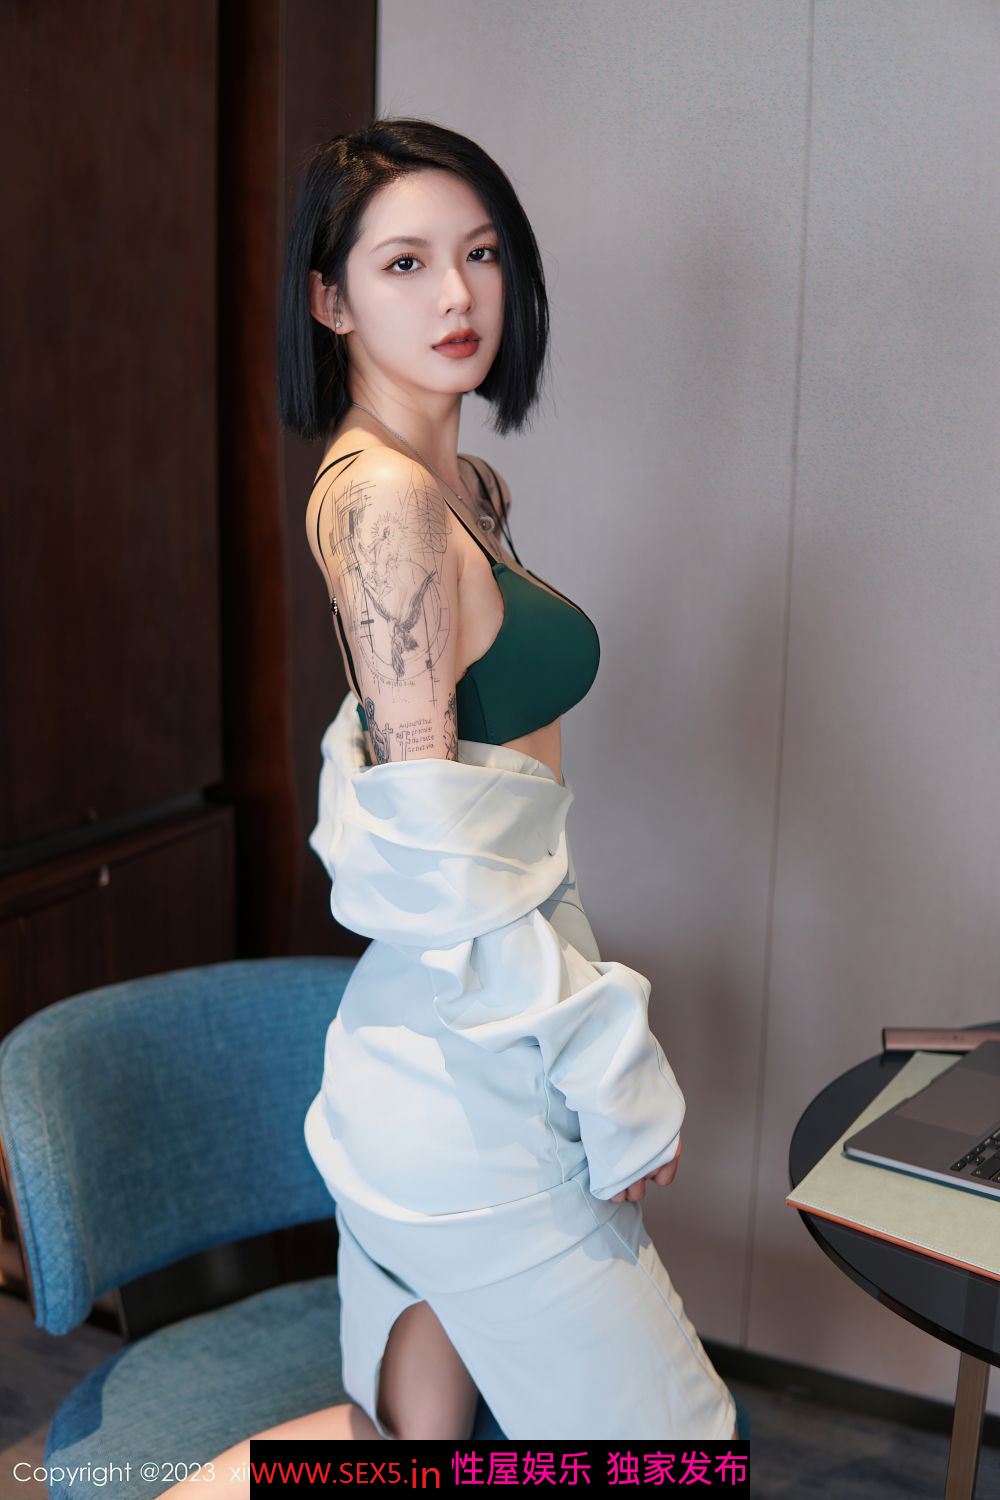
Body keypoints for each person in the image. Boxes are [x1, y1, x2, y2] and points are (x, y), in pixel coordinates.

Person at [155, 116, 736, 1493]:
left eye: (480, 253)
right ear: (330, 299)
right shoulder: (385, 506)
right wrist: (610, 1068)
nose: (459, 294)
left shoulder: (461, 486)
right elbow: (437, 866)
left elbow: (420, 778)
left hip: (453, 1037)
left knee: (408, 1445)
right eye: (405, 263)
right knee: (676, 1458)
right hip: (470, 1081)